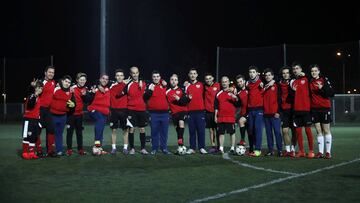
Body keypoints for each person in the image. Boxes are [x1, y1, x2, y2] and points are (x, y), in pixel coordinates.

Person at [309, 65, 334, 159]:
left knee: (326, 130)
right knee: (318, 131)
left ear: (319, 71)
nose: (314, 73)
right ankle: (320, 152)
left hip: (324, 108)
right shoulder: (310, 81)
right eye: (312, 71)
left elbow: (331, 93)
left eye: (315, 71)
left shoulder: (324, 80)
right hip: (315, 109)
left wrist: (322, 88)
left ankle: (328, 152)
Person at [290, 63, 314, 158]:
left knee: (308, 131)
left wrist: (306, 74)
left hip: (306, 109)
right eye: (294, 69)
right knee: (298, 132)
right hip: (296, 110)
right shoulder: (293, 82)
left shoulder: (306, 79)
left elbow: (313, 77)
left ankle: (311, 151)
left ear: (301, 69)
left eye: (297, 68)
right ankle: (301, 151)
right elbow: (291, 96)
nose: (295, 70)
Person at [123, 67, 149, 155]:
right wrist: (123, 84)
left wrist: (141, 80)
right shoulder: (128, 84)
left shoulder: (144, 83)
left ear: (139, 73)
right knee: (131, 129)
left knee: (142, 129)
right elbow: (119, 94)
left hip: (142, 109)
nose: (135, 74)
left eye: (136, 73)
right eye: (133, 73)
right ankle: (132, 148)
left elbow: (155, 81)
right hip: (131, 110)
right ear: (130, 74)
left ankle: (143, 148)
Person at [144, 70, 170, 155]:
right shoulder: (149, 86)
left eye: (157, 76)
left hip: (165, 113)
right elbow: (145, 97)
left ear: (160, 77)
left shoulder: (165, 85)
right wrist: (150, 90)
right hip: (153, 113)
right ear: (152, 77)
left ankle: (164, 148)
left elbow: (173, 88)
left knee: (164, 132)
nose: (156, 78)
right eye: (154, 76)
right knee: (154, 132)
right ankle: (154, 148)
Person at [50, 75, 76, 156]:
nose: (67, 83)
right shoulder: (56, 89)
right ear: (62, 81)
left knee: (59, 134)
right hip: (53, 115)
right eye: (66, 81)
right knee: (51, 133)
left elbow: (73, 103)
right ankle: (50, 150)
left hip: (63, 116)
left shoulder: (71, 92)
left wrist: (73, 104)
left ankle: (59, 150)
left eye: (69, 82)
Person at [33, 66, 56, 157]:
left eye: (53, 72)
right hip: (39, 109)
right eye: (49, 72)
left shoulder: (54, 82)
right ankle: (38, 150)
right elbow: (34, 92)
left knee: (51, 129)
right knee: (38, 130)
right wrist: (32, 86)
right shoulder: (40, 82)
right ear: (45, 73)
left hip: (49, 110)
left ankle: (50, 150)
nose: (51, 74)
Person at [184, 68, 207, 154]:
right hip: (190, 112)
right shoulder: (186, 86)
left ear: (197, 75)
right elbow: (184, 98)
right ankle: (192, 148)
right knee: (192, 131)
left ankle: (202, 147)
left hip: (200, 111)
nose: (193, 75)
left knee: (201, 131)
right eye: (191, 74)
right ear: (189, 75)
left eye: (194, 73)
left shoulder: (201, 85)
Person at [214, 76, 239, 154]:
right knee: (221, 133)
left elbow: (238, 102)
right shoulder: (218, 94)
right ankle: (221, 148)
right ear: (221, 83)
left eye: (226, 81)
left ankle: (232, 148)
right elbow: (216, 106)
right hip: (221, 116)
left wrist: (234, 96)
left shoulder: (233, 91)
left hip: (230, 116)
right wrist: (215, 116)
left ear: (228, 82)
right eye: (223, 82)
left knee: (232, 132)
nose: (224, 83)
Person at [87, 74, 111, 155]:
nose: (105, 80)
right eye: (103, 78)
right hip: (94, 110)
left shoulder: (109, 88)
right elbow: (88, 97)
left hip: (104, 112)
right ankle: (96, 146)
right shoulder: (95, 88)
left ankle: (99, 147)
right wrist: (94, 90)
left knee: (100, 130)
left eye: (106, 79)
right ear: (100, 79)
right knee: (99, 125)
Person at [166, 74, 189, 154]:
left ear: (178, 81)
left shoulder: (182, 89)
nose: (173, 81)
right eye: (172, 79)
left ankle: (180, 146)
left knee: (181, 124)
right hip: (174, 113)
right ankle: (181, 146)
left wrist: (179, 99)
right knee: (178, 130)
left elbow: (185, 101)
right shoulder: (167, 91)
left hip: (182, 111)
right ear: (170, 81)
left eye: (175, 80)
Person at [66, 72, 88, 156]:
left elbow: (87, 100)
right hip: (71, 114)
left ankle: (80, 149)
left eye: (84, 80)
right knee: (69, 132)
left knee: (79, 133)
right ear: (77, 80)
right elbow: (66, 97)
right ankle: (69, 149)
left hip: (79, 114)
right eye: (81, 79)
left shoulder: (85, 89)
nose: (82, 81)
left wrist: (85, 95)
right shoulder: (72, 88)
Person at [109, 69, 130, 155]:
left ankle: (125, 148)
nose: (119, 77)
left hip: (124, 110)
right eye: (118, 75)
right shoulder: (112, 85)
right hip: (114, 110)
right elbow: (118, 93)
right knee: (114, 130)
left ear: (124, 77)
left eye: (121, 75)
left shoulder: (127, 85)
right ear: (115, 77)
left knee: (125, 130)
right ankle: (113, 148)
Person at [262, 69, 283, 156]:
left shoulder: (277, 85)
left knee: (277, 132)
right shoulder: (263, 86)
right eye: (266, 75)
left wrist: (279, 112)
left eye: (269, 75)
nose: (267, 77)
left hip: (275, 114)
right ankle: (271, 150)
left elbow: (280, 100)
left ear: (273, 76)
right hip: (266, 114)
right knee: (268, 133)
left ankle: (280, 150)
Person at [21, 81, 43, 159]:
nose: (40, 89)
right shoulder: (31, 95)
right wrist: (34, 92)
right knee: (27, 137)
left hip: (35, 120)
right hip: (28, 120)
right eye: (38, 88)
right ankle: (25, 152)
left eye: (41, 88)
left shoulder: (39, 97)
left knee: (33, 137)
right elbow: (30, 106)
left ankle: (31, 152)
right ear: (35, 88)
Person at [278, 66, 297, 157]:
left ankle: (293, 149)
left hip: (293, 110)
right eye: (283, 73)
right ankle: (287, 150)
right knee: (285, 131)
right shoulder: (279, 83)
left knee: (294, 131)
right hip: (283, 110)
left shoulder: (293, 82)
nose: (285, 74)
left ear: (290, 74)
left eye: (287, 73)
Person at [246, 66, 264, 157]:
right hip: (250, 110)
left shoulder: (261, 82)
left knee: (258, 129)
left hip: (259, 109)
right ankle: (252, 148)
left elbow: (273, 78)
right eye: (250, 72)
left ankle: (258, 149)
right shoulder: (248, 83)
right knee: (250, 130)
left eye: (253, 72)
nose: (252, 73)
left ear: (257, 73)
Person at [204, 73, 221, 153]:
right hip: (208, 112)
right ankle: (213, 146)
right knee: (211, 130)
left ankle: (219, 146)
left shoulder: (218, 85)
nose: (208, 80)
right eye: (206, 79)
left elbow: (226, 87)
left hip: (217, 111)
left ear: (213, 78)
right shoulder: (204, 87)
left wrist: (232, 87)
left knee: (218, 129)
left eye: (209, 78)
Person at [235, 74, 248, 147]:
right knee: (241, 121)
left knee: (251, 131)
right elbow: (237, 104)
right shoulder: (238, 93)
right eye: (238, 82)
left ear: (244, 81)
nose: (239, 83)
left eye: (241, 81)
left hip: (250, 112)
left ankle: (254, 147)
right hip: (243, 113)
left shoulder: (249, 90)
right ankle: (242, 140)